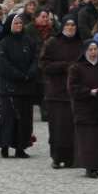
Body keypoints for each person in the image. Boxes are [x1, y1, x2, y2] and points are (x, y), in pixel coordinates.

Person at [0, 13, 37, 159]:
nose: (19, 26)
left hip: (26, 87)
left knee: (25, 119)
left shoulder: (29, 41)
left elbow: (35, 59)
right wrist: (18, 75)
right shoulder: (3, 43)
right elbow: (3, 64)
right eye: (15, 23)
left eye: (20, 23)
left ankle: (21, 147)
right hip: (9, 88)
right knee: (8, 118)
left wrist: (29, 73)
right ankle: (4, 146)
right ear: (10, 25)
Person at [40, 15, 81, 168]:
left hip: (74, 92)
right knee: (58, 127)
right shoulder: (52, 43)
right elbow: (44, 64)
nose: (70, 28)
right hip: (56, 92)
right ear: (62, 26)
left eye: (73, 25)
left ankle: (72, 157)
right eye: (68, 25)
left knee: (72, 128)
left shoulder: (80, 43)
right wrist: (64, 66)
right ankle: (57, 157)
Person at [67, 40, 98, 178]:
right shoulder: (77, 67)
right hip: (84, 108)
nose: (93, 52)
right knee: (88, 139)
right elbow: (72, 88)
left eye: (95, 49)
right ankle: (89, 166)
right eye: (91, 50)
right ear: (85, 51)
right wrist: (90, 92)